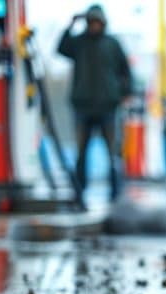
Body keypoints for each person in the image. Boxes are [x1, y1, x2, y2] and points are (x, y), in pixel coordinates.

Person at [58, 5, 133, 202]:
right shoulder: (78, 43)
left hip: (108, 107)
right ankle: (79, 191)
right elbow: (61, 48)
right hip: (83, 107)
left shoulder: (112, 44)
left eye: (97, 22)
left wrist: (125, 93)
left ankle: (116, 194)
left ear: (103, 22)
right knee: (81, 153)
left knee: (113, 153)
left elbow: (125, 71)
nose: (94, 26)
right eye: (90, 22)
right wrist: (70, 25)